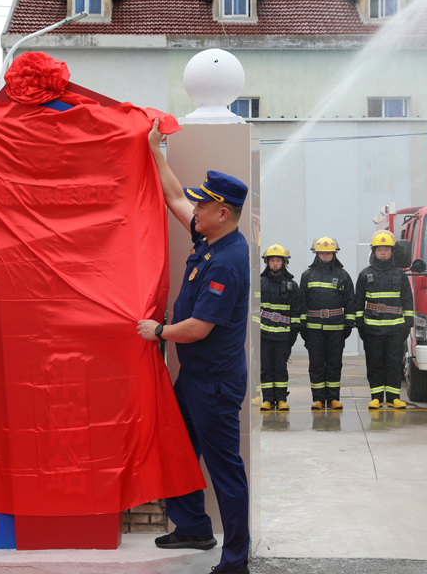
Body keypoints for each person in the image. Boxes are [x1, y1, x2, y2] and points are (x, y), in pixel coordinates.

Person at [136, 120, 251, 574]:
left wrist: (158, 332)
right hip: (196, 378)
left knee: (225, 471)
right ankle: (193, 527)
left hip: (215, 385)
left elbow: (199, 328)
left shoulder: (227, 261)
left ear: (222, 213)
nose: (195, 209)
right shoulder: (210, 239)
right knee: (178, 447)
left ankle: (235, 558)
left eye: (203, 205)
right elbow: (174, 197)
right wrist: (155, 150)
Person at [354, 231, 414, 409]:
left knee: (394, 364)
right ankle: (377, 398)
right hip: (372, 330)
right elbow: (358, 302)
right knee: (375, 364)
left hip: (395, 330)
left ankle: (394, 398)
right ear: (374, 251)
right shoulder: (365, 274)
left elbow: (407, 300)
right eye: (379, 249)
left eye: (386, 249)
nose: (383, 252)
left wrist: (408, 324)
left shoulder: (400, 274)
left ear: (392, 251)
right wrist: (360, 325)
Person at [300, 237, 354, 411]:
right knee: (316, 364)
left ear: (334, 254)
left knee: (334, 364)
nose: (325, 255)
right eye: (321, 252)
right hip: (314, 329)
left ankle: (333, 399)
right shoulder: (307, 275)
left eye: (328, 252)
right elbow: (302, 302)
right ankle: (318, 399)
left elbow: (350, 301)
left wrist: (348, 324)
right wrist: (303, 326)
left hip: (336, 329)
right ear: (316, 254)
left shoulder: (343, 275)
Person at [258, 244, 304, 412]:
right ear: (267, 262)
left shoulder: (292, 285)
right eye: (272, 260)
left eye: (278, 260)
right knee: (266, 368)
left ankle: (282, 399)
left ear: (284, 262)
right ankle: (268, 399)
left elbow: (296, 311)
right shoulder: (259, 283)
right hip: (264, 335)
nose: (275, 263)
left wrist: (294, 333)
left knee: (280, 369)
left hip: (283, 336)